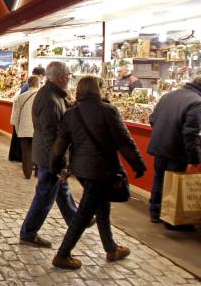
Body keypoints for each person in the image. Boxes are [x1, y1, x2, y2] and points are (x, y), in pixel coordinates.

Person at [50, 76, 146, 269]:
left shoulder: (71, 113)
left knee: (102, 206)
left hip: (82, 170)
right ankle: (62, 254)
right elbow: (123, 141)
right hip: (101, 170)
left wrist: (55, 165)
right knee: (84, 213)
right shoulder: (107, 110)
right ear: (97, 89)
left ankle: (111, 248)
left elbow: (61, 142)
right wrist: (138, 164)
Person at [19, 61, 79, 248]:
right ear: (60, 77)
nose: (70, 77)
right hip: (49, 157)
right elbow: (51, 136)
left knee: (61, 190)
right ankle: (29, 233)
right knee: (45, 195)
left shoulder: (53, 95)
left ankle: (77, 220)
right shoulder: (50, 99)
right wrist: (59, 165)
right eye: (69, 74)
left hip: (49, 155)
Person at [147, 75, 201, 225]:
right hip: (177, 149)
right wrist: (194, 159)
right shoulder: (196, 102)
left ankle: (155, 213)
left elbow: (152, 119)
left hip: (160, 146)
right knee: (174, 185)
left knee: (159, 180)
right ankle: (171, 220)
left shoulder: (168, 96)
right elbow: (190, 133)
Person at [10, 76, 41, 179]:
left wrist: (17, 130)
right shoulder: (41, 96)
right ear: (38, 83)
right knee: (37, 150)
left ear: (29, 84)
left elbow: (16, 115)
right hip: (37, 129)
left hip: (23, 128)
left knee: (25, 152)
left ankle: (27, 173)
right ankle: (37, 172)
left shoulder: (21, 97)